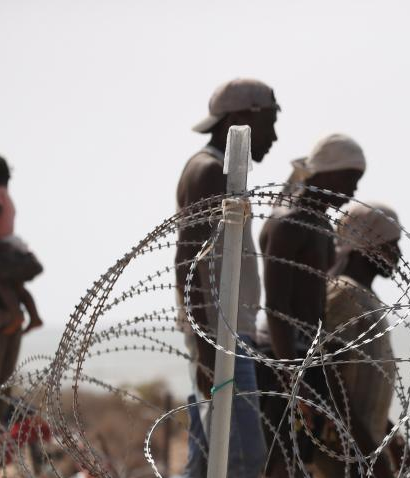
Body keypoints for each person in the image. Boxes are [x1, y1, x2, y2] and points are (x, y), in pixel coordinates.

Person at [174, 78, 278, 478]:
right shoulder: (209, 171)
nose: (274, 135)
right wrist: (205, 342)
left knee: (207, 462)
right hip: (222, 337)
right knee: (243, 460)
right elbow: (189, 258)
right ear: (241, 119)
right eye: (270, 121)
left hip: (227, 332)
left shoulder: (220, 171)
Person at [257, 134, 365, 478]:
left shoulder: (319, 223)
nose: (353, 191)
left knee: (298, 460)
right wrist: (290, 372)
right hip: (282, 355)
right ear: (326, 172)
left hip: (306, 354)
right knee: (279, 462)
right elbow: (276, 304)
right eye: (349, 179)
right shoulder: (290, 222)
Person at [307, 201, 402, 478]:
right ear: (367, 243)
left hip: (358, 450)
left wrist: (386, 434)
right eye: (391, 244)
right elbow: (330, 376)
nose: (397, 254)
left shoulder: (364, 297)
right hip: (341, 455)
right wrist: (367, 451)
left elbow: (360, 380)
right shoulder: (345, 294)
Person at [0, 155, 43, 393]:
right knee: (18, 288)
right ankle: (33, 316)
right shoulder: (8, 195)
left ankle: (16, 315)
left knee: (3, 285)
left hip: (2, 247)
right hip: (13, 246)